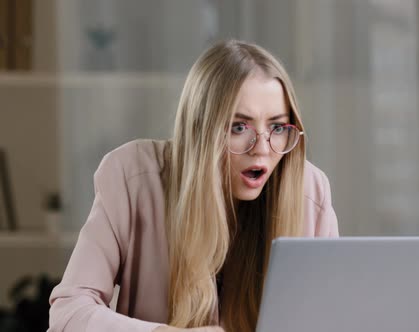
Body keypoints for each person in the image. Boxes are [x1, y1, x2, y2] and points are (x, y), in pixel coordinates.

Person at [47, 40, 339, 332]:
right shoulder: (132, 177)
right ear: (200, 127)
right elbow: (69, 312)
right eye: (239, 127)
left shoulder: (310, 191)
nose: (261, 149)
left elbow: (336, 317)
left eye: (277, 127)